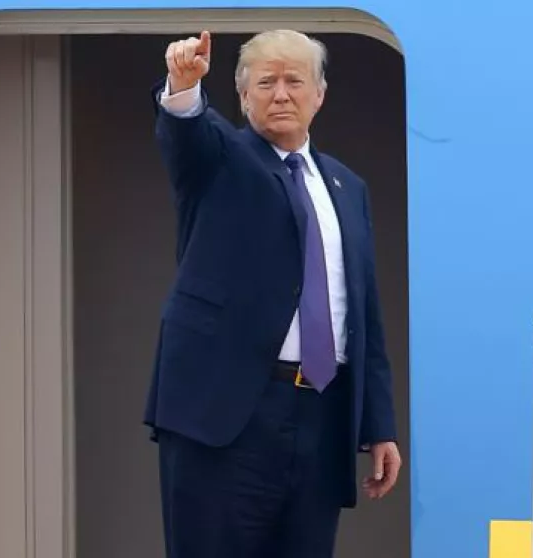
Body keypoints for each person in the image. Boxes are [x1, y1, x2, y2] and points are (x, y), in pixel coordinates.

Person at [142, 29, 401, 557]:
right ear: (242, 96)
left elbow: (362, 311)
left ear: (319, 94)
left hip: (320, 416)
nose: (280, 94)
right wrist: (183, 86)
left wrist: (379, 426)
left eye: (293, 81)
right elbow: (187, 135)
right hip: (227, 415)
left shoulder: (347, 188)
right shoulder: (220, 161)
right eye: (265, 82)